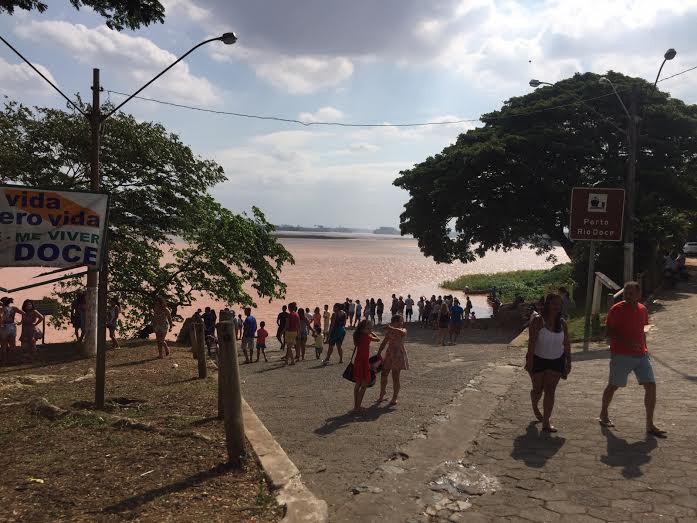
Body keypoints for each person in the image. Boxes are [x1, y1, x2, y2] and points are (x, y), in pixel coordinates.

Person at [599, 281, 665, 437]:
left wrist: (644, 346)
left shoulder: (643, 309)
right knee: (613, 385)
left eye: (631, 293)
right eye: (625, 293)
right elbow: (608, 332)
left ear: (638, 294)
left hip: (641, 354)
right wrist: (628, 342)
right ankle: (603, 414)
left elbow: (644, 329)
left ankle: (650, 424)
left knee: (651, 385)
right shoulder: (616, 309)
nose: (627, 295)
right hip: (621, 354)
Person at [525, 293, 571, 433]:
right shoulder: (538, 321)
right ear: (547, 305)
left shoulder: (563, 323)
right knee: (538, 390)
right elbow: (531, 343)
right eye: (553, 303)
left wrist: (569, 361)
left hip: (556, 360)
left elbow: (567, 344)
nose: (556, 306)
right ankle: (535, 406)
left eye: (559, 304)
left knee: (550, 390)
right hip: (538, 359)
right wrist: (529, 361)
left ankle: (546, 421)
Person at [377, 314, 408, 406]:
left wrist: (391, 328)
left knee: (395, 376)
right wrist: (379, 352)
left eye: (402, 321)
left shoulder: (403, 330)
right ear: (394, 322)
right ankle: (382, 393)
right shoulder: (390, 331)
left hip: (398, 354)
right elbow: (384, 342)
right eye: (400, 321)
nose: (402, 323)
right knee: (384, 374)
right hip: (390, 353)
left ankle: (394, 397)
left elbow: (402, 333)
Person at [352, 320, 380, 413]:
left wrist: (368, 331)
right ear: (363, 328)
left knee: (358, 384)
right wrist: (371, 332)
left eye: (370, 328)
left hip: (358, 361)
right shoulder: (368, 337)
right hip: (364, 362)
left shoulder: (357, 336)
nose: (370, 330)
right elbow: (378, 339)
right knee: (363, 386)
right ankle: (357, 407)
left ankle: (356, 406)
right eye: (368, 328)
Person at [1, 297, 23, 363]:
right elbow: (24, 313)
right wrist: (20, 322)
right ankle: (13, 360)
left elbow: (1, 317)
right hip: (12, 326)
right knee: (12, 344)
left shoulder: (2, 309)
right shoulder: (14, 308)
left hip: (4, 326)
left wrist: (1, 324)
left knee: (3, 344)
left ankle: (4, 361)